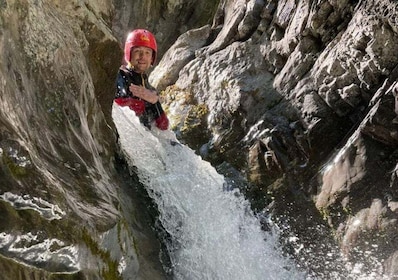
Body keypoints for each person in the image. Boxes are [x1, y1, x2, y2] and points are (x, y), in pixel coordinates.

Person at [114, 29, 169, 130]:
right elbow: (118, 107)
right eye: (137, 51)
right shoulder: (120, 75)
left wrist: (155, 102)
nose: (142, 57)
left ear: (152, 58)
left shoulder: (149, 88)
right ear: (129, 54)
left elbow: (163, 126)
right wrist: (142, 103)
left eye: (147, 53)